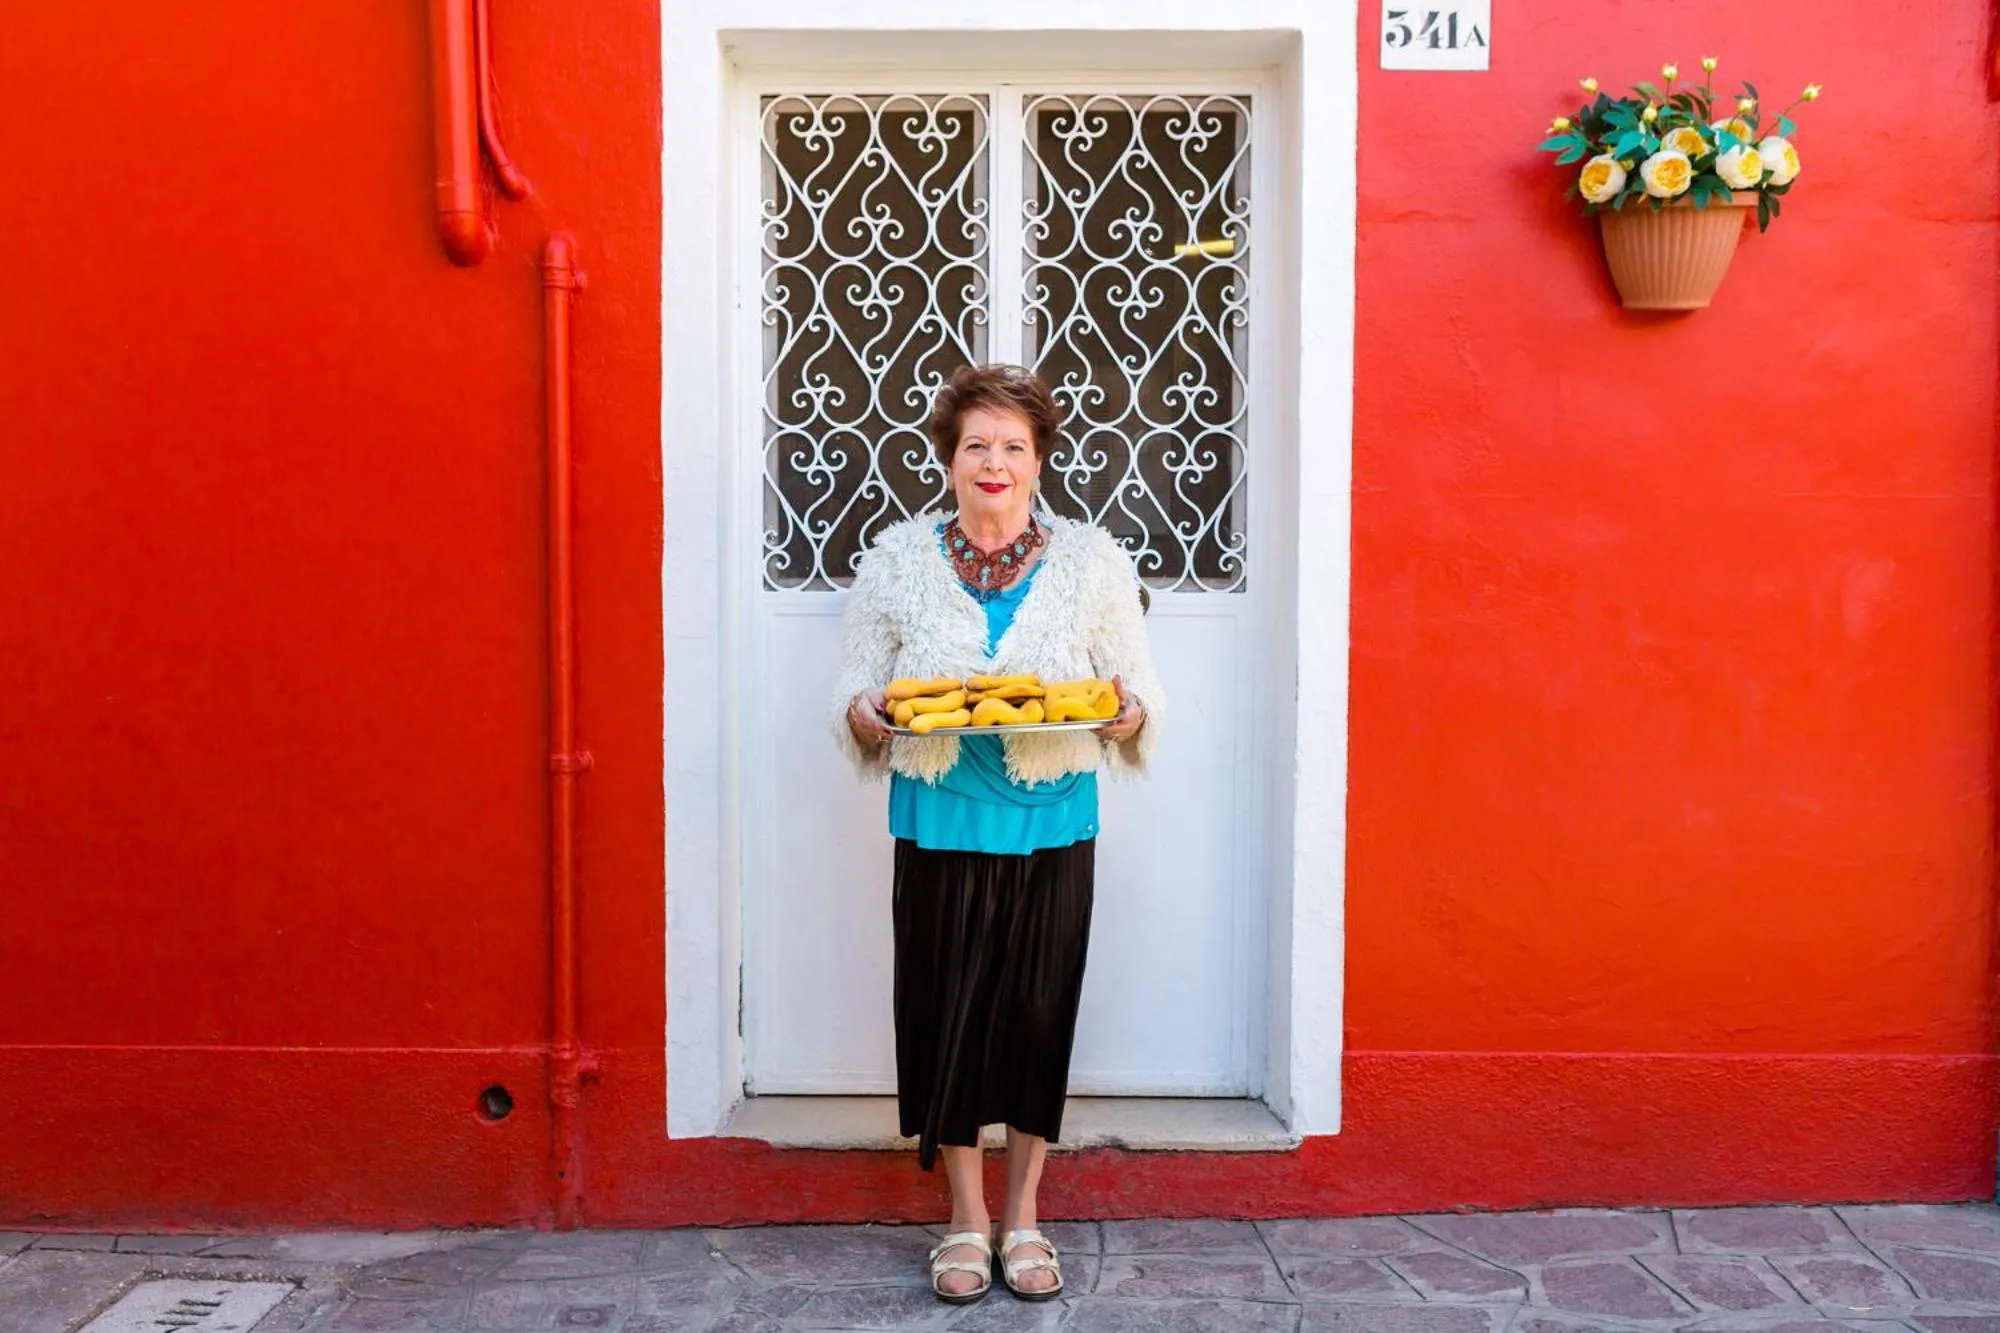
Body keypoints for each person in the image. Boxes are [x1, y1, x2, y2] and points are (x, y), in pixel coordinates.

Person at [831, 363, 1165, 1305]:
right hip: (938, 818)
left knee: (1034, 1017)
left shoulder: (1092, 561)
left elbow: (1138, 688)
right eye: (976, 443)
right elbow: (854, 696)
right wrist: (866, 711)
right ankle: (964, 1222)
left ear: (1040, 462)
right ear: (948, 460)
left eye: (1014, 446)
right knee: (947, 1018)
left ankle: (1024, 1216)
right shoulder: (897, 561)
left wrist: (1128, 712)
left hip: (1055, 816)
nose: (994, 462)